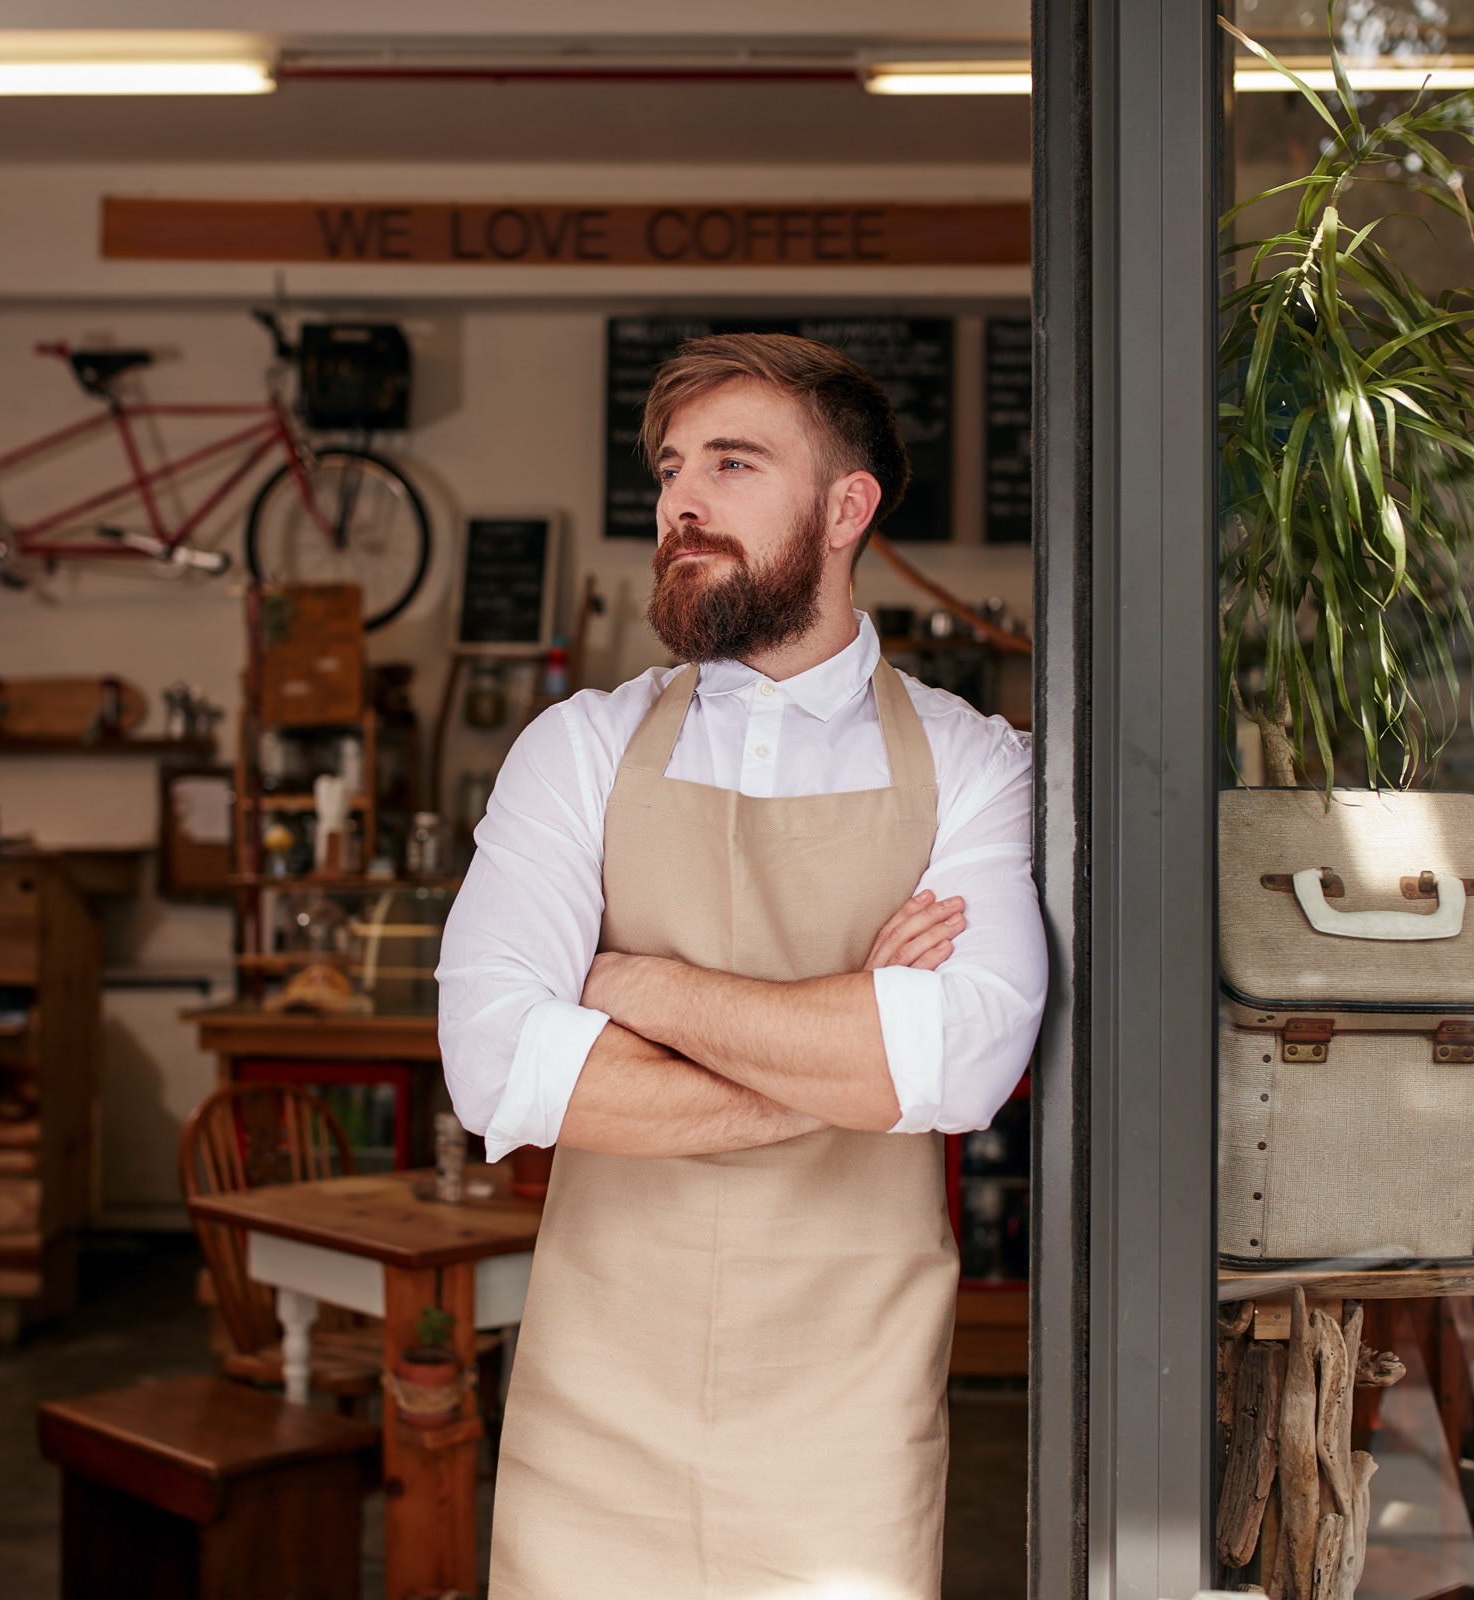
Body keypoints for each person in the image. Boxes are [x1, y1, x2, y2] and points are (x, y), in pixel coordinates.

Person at [436, 332, 1047, 1598]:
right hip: (593, 1400)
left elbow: (968, 1062)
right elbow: (498, 1070)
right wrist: (850, 1052)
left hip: (851, 1409)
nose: (680, 501)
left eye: (731, 461)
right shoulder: (579, 749)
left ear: (845, 507)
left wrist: (634, 989)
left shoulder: (977, 762)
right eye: (670, 467)